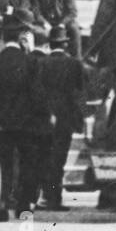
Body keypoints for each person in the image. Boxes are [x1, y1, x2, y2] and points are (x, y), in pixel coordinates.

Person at [0, 6, 51, 220]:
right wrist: (43, 117)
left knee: (2, 165)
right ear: (22, 36)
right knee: (28, 164)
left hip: (1, 124)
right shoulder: (30, 62)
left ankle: (0, 205)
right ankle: (24, 206)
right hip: (27, 125)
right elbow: (38, 96)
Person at [37, 24, 85, 211]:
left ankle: (44, 196)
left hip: (45, 117)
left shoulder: (41, 63)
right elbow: (79, 94)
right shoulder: (74, 64)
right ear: (66, 44)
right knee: (59, 159)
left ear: (50, 44)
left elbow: (37, 91)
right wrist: (78, 120)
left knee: (46, 156)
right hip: (65, 117)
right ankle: (54, 198)